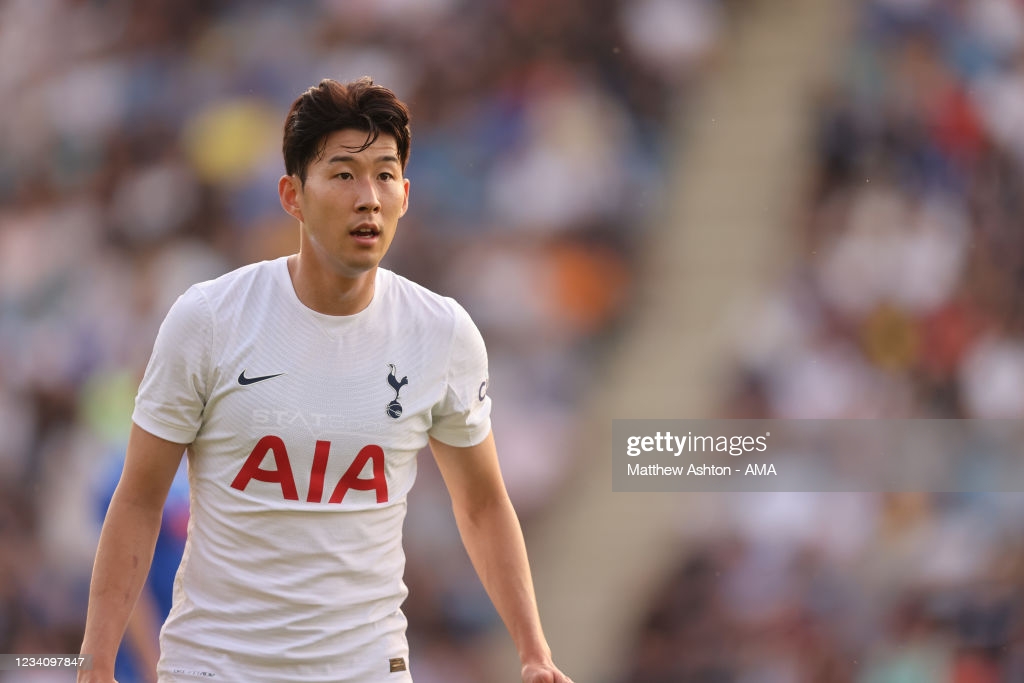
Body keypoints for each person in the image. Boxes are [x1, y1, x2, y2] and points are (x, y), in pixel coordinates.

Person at [78, 77, 571, 683]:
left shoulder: (441, 333)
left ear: (406, 195)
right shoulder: (210, 319)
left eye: (385, 175)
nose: (368, 197)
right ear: (292, 195)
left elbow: (483, 503)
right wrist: (97, 661)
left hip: (367, 669)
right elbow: (139, 498)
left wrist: (534, 652)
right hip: (217, 666)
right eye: (343, 174)